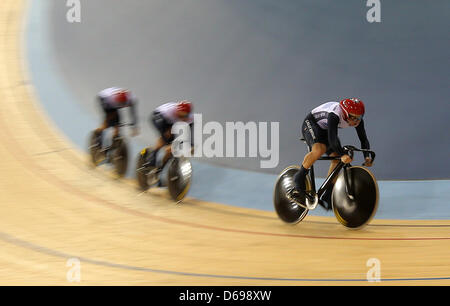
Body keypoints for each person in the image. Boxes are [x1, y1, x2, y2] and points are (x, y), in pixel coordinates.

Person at [288, 98, 373, 210]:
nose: (357, 121)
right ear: (346, 114)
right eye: (354, 118)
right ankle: (299, 177)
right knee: (319, 149)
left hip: (325, 128)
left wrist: (367, 156)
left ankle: (328, 193)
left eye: (360, 117)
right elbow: (332, 139)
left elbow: (363, 139)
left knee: (337, 160)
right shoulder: (335, 115)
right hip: (312, 123)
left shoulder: (357, 120)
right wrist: (343, 154)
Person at [146, 100, 194, 169]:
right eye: (180, 116)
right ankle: (153, 155)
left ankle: (159, 169)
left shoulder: (190, 118)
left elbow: (189, 133)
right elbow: (163, 131)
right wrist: (167, 144)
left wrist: (191, 145)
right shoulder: (168, 112)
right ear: (177, 111)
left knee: (173, 147)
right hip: (160, 116)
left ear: (188, 114)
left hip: (171, 121)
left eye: (185, 116)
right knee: (166, 137)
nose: (182, 119)